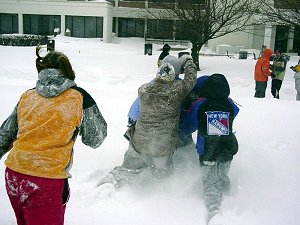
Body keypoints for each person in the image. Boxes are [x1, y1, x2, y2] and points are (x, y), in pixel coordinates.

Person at [0, 46, 107, 225]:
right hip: (46, 181)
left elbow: (5, 134)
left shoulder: (28, 96)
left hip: (14, 174)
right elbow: (95, 139)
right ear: (67, 71)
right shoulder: (79, 97)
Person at [99, 57, 197, 188]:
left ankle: (111, 184)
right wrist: (188, 63)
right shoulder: (176, 91)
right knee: (164, 178)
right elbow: (191, 79)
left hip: (139, 142)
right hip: (162, 146)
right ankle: (156, 196)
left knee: (128, 169)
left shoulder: (143, 89)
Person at [187, 74, 239, 225]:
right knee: (222, 175)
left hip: (207, 150)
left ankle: (215, 213)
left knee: (210, 181)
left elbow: (191, 122)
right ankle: (230, 197)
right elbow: (234, 113)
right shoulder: (230, 105)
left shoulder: (200, 104)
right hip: (227, 149)